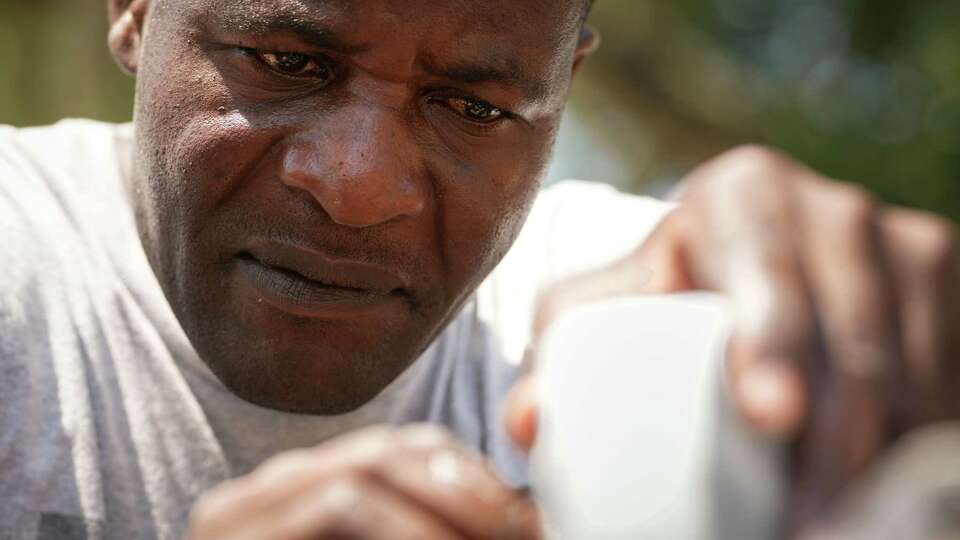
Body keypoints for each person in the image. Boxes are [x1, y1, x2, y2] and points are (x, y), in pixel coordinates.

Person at [0, 0, 957, 538]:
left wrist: (881, 397)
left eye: (473, 109)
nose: (359, 187)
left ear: (561, 96)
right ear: (133, 10)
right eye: (284, 62)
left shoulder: (648, 328)